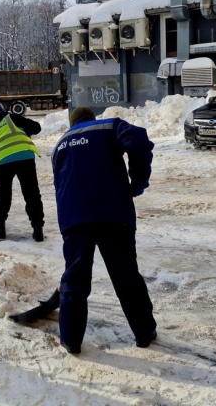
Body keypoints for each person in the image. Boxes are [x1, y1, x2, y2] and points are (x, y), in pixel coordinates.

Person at [51, 106, 156, 354]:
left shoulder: (59, 145)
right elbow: (139, 140)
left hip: (74, 218)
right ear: (91, 118)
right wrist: (138, 180)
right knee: (126, 276)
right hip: (112, 213)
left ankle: (70, 339)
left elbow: (60, 184)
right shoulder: (108, 126)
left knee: (74, 280)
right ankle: (144, 333)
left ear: (71, 122)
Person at [0, 103, 45, 241]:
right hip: (24, 156)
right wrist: (24, 130)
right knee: (31, 193)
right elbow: (37, 127)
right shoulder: (12, 117)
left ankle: (0, 229)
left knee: (3, 193)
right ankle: (38, 230)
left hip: (3, 160)